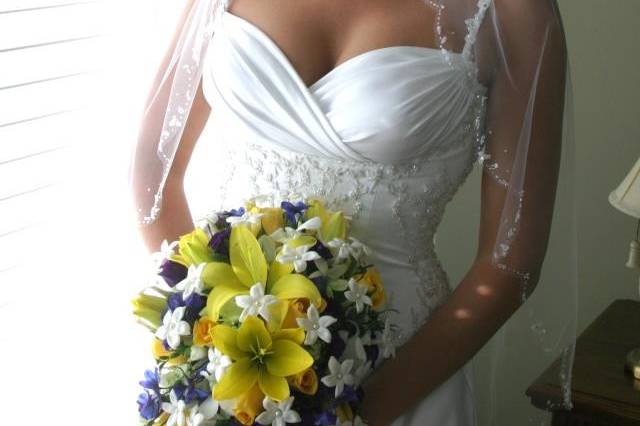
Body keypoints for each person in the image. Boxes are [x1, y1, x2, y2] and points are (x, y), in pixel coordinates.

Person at [130, 0, 575, 424]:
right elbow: (154, 168)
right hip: (237, 379)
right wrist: (199, 323)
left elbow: (510, 263)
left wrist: (353, 415)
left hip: (404, 372)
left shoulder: (510, 11)